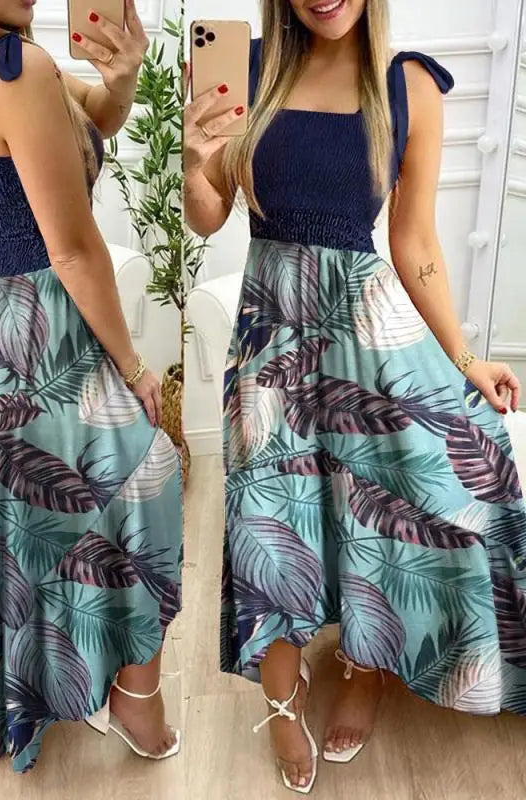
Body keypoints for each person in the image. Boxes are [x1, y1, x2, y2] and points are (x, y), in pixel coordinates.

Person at [184, 0, 526, 794]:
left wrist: (465, 357)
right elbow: (207, 218)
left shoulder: (409, 85)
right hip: (270, 341)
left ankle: (366, 668)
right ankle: (282, 700)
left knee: (404, 495)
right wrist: (197, 162)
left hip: (367, 335)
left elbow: (414, 241)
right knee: (268, 521)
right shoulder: (243, 66)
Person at [0, 0, 183, 776]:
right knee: (151, 479)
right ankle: (133, 695)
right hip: (34, 329)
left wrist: (122, 78)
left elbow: (95, 120)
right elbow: (75, 249)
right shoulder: (15, 67)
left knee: (25, 523)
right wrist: (135, 367)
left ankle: (52, 683)